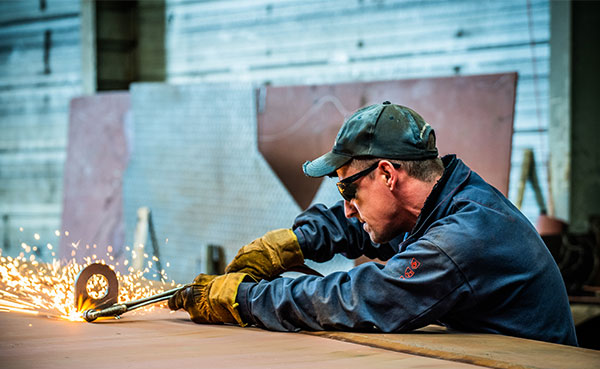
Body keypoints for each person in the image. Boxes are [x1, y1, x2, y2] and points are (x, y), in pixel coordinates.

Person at [168, 101, 578, 346]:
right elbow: (355, 225)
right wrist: (292, 243)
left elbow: (363, 297)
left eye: (348, 190)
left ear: (386, 174)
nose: (346, 207)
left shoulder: (462, 239)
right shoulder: (443, 199)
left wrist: (244, 300)